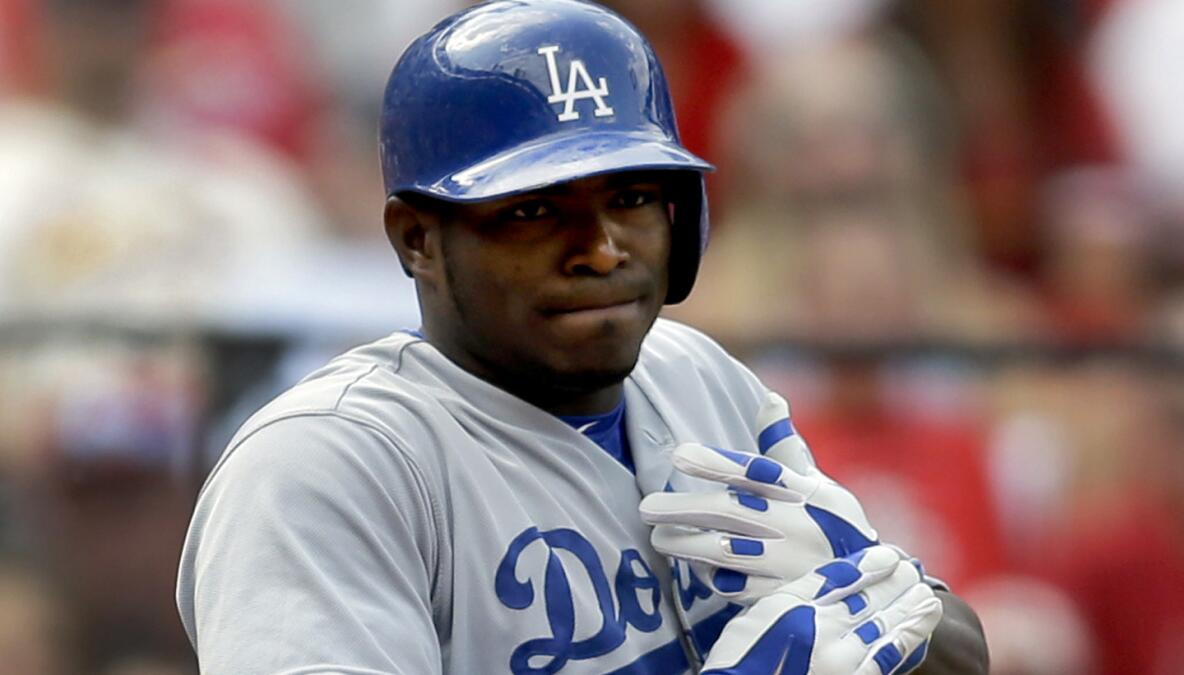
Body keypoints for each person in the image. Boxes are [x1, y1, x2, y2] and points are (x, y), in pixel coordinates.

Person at [176, 1, 989, 672]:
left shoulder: (698, 378)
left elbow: (961, 652)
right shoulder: (326, 466)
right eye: (533, 211)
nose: (601, 249)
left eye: (632, 197)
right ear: (418, 239)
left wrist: (907, 609)